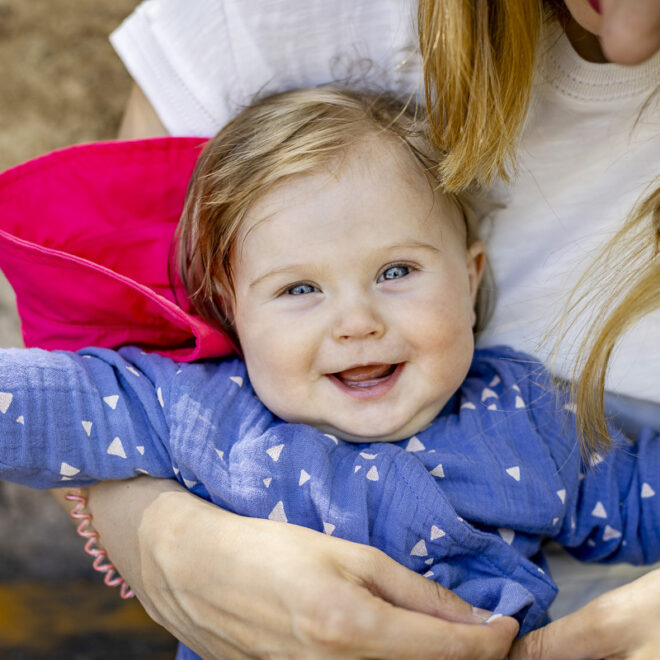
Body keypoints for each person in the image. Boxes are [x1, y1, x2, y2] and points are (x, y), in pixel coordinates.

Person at [61, 1, 658, 658]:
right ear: (229, 309)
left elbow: (636, 496)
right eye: (299, 289)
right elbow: (59, 401)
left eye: (397, 271)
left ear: (470, 277)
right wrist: (153, 537)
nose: (357, 323)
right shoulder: (207, 408)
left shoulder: (526, 414)